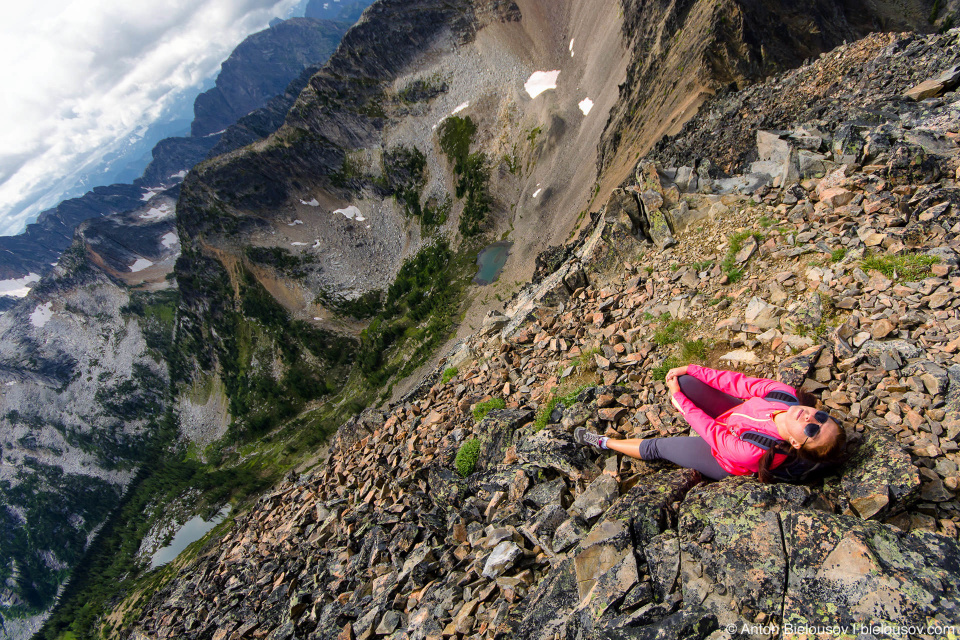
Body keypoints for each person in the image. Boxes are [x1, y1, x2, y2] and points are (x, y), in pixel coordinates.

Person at [574, 364, 847, 482]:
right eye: (821, 417)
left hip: (723, 458)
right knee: (687, 380)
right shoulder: (784, 395)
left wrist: (678, 400)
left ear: (797, 443)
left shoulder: (755, 451)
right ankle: (687, 383)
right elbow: (739, 382)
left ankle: (604, 442)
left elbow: (711, 431)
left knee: (659, 448)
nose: (811, 418)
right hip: (735, 418)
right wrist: (692, 369)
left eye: (813, 430)